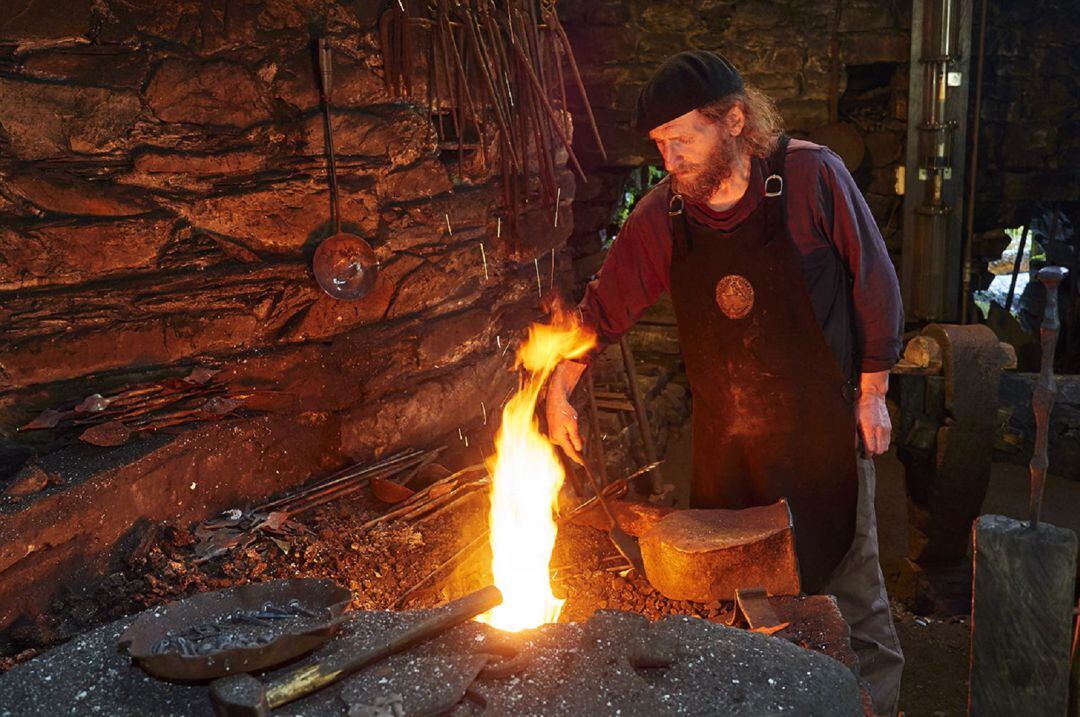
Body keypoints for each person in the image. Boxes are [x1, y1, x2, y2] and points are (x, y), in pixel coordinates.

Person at [545, 50, 905, 715]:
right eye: (661, 145)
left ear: (735, 120)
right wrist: (562, 383)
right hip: (729, 443)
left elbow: (875, 280)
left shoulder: (808, 179)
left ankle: (873, 703)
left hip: (821, 430)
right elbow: (606, 306)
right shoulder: (665, 214)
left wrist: (873, 389)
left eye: (683, 138)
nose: (670, 157)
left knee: (848, 587)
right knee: (741, 595)